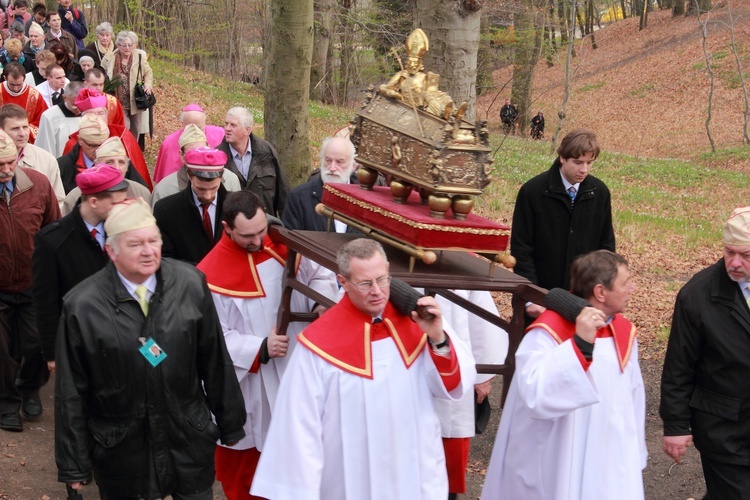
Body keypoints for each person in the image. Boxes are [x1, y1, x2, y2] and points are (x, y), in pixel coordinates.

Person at [251, 238, 476, 499]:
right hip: (350, 480)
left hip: (414, 473)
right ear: (342, 282)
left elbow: (452, 387)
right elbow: (298, 431)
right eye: (365, 283)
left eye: (382, 279)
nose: (377, 291)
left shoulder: (419, 320)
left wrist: (438, 338)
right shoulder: (316, 347)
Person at [54, 198, 246, 497]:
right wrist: (73, 463)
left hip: (187, 437)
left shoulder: (190, 284)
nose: (148, 251)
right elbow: (70, 392)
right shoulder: (82, 306)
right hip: (121, 447)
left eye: (153, 241)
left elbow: (214, 358)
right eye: (135, 244)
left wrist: (231, 422)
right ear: (111, 250)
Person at [196, 189, 338, 499]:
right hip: (252, 386)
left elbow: (321, 274)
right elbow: (212, 338)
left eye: (262, 230)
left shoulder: (284, 243)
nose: (259, 241)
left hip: (298, 368)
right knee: (248, 469)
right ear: (227, 228)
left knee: (301, 456)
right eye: (248, 236)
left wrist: (320, 305)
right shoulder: (208, 275)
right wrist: (260, 347)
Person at [481, 250, 645, 499]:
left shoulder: (623, 333)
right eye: (626, 283)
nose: (633, 288)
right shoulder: (546, 333)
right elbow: (535, 394)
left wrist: (634, 453)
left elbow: (633, 399)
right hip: (557, 459)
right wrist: (580, 344)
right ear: (600, 292)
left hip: (607, 461)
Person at [661, 206, 750, 498]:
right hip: (724, 429)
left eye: (746, 255)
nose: (735, 263)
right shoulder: (697, 295)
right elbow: (679, 365)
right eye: (729, 252)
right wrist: (675, 425)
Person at [511, 128, 615, 319]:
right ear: (562, 158)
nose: (584, 169)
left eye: (589, 163)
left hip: (584, 300)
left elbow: (606, 248)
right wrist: (530, 296)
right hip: (540, 297)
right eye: (577, 162)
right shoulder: (533, 191)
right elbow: (521, 248)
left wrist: (601, 293)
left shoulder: (599, 193)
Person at [32, 164, 127, 371]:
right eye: (115, 203)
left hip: (126, 333)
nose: (122, 208)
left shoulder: (126, 231)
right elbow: (46, 302)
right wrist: (51, 352)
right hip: (83, 340)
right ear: (93, 201)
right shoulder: (52, 242)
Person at [0, 129, 60, 433]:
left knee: (38, 344)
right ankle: (7, 404)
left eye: (10, 163)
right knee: (2, 351)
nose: (6, 170)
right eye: (0, 165)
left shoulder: (38, 185)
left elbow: (54, 231)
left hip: (32, 283)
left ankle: (29, 387)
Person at [61, 87, 151, 188]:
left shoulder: (122, 135)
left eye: (101, 113)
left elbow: (138, 178)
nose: (97, 118)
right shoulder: (72, 143)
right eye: (91, 114)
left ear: (107, 114)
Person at [154, 147, 230, 265]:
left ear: (221, 178)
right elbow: (165, 259)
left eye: (214, 188)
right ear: (189, 175)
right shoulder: (165, 211)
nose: (207, 195)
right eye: (200, 188)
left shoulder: (236, 208)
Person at [217, 106, 288, 217]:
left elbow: (283, 195)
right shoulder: (217, 157)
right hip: (232, 228)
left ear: (247, 130)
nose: (227, 128)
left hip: (265, 226)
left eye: (233, 125)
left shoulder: (267, 152)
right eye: (226, 124)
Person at [282, 135, 359, 233]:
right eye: (328, 160)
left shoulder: (366, 202)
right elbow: (290, 241)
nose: (332, 168)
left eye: (339, 162)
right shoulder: (298, 198)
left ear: (353, 166)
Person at [151, 123, 240, 207]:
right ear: (181, 155)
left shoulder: (231, 180)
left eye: (202, 150)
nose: (199, 157)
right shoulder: (164, 190)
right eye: (191, 154)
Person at [58, 112, 147, 193]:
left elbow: (140, 192)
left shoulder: (119, 161)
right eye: (92, 145)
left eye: (102, 144)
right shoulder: (63, 167)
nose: (98, 150)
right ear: (80, 140)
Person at [61, 136, 151, 215]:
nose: (117, 168)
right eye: (109, 162)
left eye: (121, 162)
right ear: (96, 166)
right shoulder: (75, 198)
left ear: (127, 167)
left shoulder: (141, 193)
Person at [0, 102, 63, 207]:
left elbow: (58, 202)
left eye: (25, 127)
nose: (23, 134)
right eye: (15, 129)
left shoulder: (47, 160)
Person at [100, 31, 153, 149]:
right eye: (124, 45)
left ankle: (132, 151)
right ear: (118, 45)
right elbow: (101, 73)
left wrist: (148, 85)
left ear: (134, 45)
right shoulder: (110, 58)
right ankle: (122, 148)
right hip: (118, 99)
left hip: (135, 99)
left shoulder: (139, 57)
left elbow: (148, 72)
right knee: (125, 126)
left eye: (130, 45)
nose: (127, 48)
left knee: (136, 127)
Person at [153, 103, 225, 183]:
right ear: (182, 124)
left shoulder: (220, 135)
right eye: (190, 128)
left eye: (199, 128)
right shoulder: (169, 143)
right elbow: (163, 182)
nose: (195, 131)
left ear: (204, 122)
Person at [0, 62, 47, 142]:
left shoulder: (34, 96)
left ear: (24, 79)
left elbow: (43, 121)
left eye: (19, 84)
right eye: (12, 84)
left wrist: (22, 130)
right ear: (5, 78)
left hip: (25, 140)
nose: (15, 88)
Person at [34, 79, 81, 156]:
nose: (78, 109)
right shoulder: (49, 116)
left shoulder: (89, 113)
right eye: (74, 105)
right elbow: (45, 148)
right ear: (64, 98)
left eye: (81, 104)